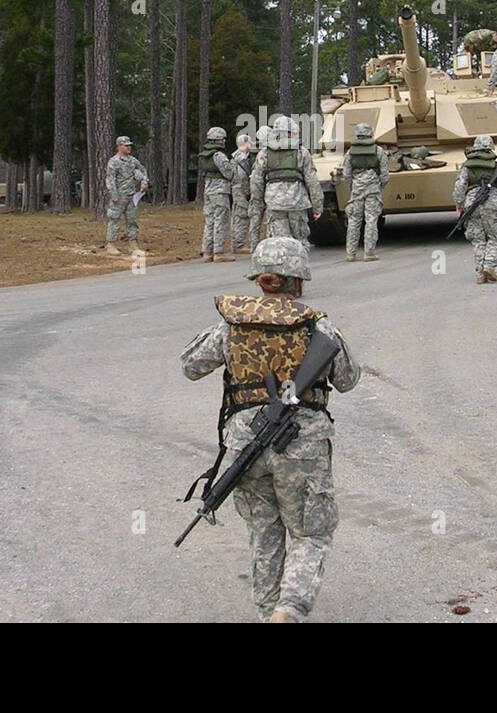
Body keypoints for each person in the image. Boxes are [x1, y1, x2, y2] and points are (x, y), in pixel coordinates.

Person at [179, 237, 359, 622]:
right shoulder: (318, 326)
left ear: (259, 280)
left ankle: (268, 612)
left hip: (246, 446)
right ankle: (290, 609)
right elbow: (347, 379)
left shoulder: (232, 326)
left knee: (264, 530)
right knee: (311, 533)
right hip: (302, 445)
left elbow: (190, 365)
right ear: (298, 281)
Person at [452, 134, 497, 284]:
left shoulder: (466, 166)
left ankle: (480, 274)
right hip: (492, 203)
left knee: (477, 239)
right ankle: (489, 265)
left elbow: (459, 187)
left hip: (471, 203)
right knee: (496, 236)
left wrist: (459, 205)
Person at [249, 116, 322, 244]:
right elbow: (312, 182)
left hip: (274, 203)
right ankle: (299, 263)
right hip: (297, 203)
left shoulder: (264, 153)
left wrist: (258, 205)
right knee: (300, 241)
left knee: (278, 242)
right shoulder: (302, 152)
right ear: (291, 132)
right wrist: (317, 207)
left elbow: (256, 182)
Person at [342, 122, 388, 262]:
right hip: (373, 188)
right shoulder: (378, 150)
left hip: (357, 188)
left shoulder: (350, 152)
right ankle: (369, 253)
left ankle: (350, 253)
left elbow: (346, 174)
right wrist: (379, 186)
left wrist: (353, 187)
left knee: (354, 220)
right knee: (371, 220)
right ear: (370, 134)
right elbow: (385, 175)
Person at [199, 126, 237, 262]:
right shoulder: (219, 155)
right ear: (218, 140)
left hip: (208, 190)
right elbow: (229, 173)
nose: (225, 141)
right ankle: (219, 252)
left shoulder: (205, 155)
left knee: (209, 221)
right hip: (220, 191)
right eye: (223, 139)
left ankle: (207, 251)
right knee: (220, 221)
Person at [105, 135, 148, 256]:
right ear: (119, 147)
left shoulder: (133, 161)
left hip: (132, 196)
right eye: (126, 145)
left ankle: (133, 245)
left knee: (132, 220)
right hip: (119, 196)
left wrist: (144, 182)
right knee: (114, 219)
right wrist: (114, 195)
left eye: (129, 145)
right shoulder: (114, 161)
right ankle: (110, 244)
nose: (129, 147)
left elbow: (143, 171)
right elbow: (110, 179)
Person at [230, 132, 255, 254]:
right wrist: (247, 191)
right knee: (242, 216)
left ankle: (236, 243)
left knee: (237, 216)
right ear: (246, 143)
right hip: (240, 191)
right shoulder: (242, 158)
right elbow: (243, 176)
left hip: (237, 190)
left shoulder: (235, 157)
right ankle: (239, 244)